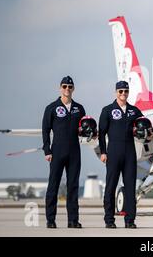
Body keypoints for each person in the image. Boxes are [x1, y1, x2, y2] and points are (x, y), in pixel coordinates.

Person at [99, 81, 149, 229]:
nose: (123, 94)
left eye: (125, 91)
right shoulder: (107, 110)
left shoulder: (134, 111)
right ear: (116, 92)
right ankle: (109, 219)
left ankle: (130, 220)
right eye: (120, 91)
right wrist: (103, 152)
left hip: (129, 153)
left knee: (130, 187)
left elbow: (145, 126)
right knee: (111, 186)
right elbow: (101, 134)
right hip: (113, 152)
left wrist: (149, 133)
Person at [42, 76, 86, 229]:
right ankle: (50, 219)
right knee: (53, 185)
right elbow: (45, 130)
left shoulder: (79, 108)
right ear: (60, 88)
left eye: (70, 86)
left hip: (74, 151)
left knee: (73, 186)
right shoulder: (51, 108)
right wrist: (47, 150)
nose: (67, 89)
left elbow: (84, 128)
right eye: (64, 86)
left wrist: (89, 132)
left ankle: (73, 220)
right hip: (57, 151)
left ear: (73, 89)